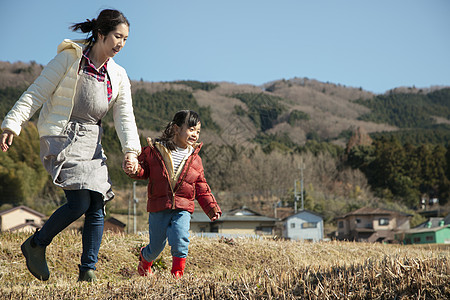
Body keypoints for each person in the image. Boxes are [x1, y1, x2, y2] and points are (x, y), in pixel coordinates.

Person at [0, 9, 141, 282]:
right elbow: (36, 92)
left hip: (92, 141)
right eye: (117, 36)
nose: (121, 43)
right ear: (100, 34)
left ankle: (88, 270)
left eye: (125, 38)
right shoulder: (70, 58)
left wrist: (131, 152)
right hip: (64, 135)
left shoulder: (119, 75)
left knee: (97, 204)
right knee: (79, 203)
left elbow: (125, 117)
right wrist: (11, 125)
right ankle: (36, 244)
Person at [123, 110, 221, 278]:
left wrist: (211, 207)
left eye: (197, 131)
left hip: (183, 207)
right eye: (191, 129)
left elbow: (201, 185)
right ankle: (144, 261)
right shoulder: (155, 151)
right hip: (158, 206)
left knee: (180, 238)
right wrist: (134, 169)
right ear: (176, 129)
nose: (195, 134)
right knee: (155, 247)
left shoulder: (195, 159)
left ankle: (177, 275)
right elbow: (143, 170)